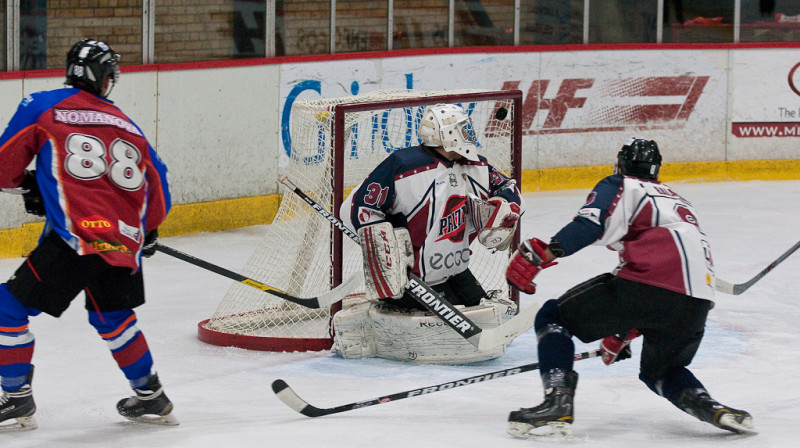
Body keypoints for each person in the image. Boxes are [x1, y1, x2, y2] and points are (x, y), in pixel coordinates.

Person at [504, 138, 755, 438]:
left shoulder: (624, 184)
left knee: (553, 317)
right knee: (660, 371)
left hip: (648, 283)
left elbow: (591, 224)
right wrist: (623, 331)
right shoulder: (679, 201)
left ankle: (557, 402)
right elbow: (668, 291)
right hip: (697, 302)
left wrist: (543, 255)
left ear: (622, 163)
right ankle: (712, 408)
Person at [0, 38, 176, 430]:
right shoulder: (128, 124)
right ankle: (151, 395)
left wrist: (28, 184)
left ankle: (14, 397)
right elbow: (157, 183)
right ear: (105, 77)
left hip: (76, 240)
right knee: (112, 316)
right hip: (122, 240)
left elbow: (4, 165)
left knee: (5, 307)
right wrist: (147, 230)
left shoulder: (42, 104)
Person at [334, 103, 524, 363]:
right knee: (460, 326)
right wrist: (383, 251)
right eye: (461, 130)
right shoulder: (404, 166)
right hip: (412, 278)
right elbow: (356, 208)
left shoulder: (477, 166)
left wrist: (505, 204)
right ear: (445, 135)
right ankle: (389, 313)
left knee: (482, 313)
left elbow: (509, 187)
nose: (468, 135)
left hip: (455, 269)